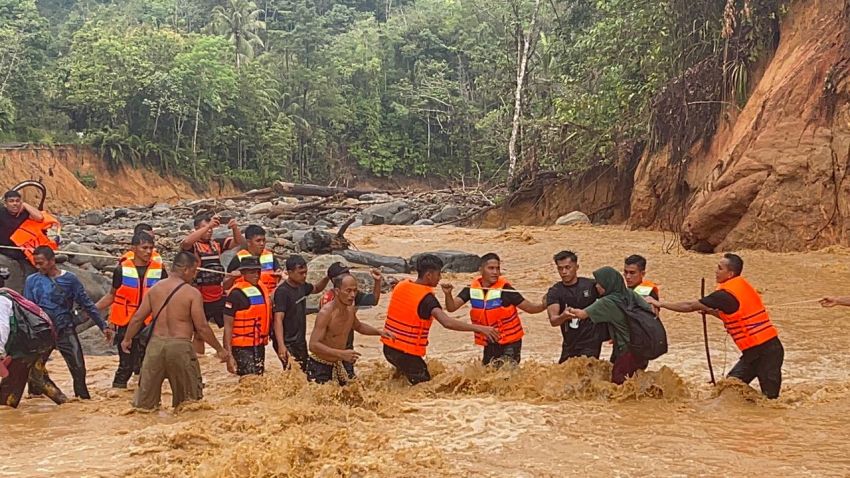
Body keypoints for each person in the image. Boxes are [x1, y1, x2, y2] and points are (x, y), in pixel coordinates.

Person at [646, 253, 784, 398]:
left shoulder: (725, 295)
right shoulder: (739, 287)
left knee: (771, 402)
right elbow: (735, 316)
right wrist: (709, 311)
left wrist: (660, 303)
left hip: (768, 353)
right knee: (729, 389)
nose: (716, 271)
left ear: (730, 274)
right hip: (753, 354)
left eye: (720, 268)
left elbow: (690, 305)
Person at [120, 251, 231, 410]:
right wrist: (220, 349)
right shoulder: (192, 293)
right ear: (185, 270)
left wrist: (127, 339)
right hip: (180, 346)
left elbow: (138, 318)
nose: (194, 276)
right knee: (189, 404)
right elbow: (202, 327)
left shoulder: (155, 289)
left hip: (155, 347)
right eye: (194, 271)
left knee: (144, 406)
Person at [381, 254, 499, 385]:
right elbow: (447, 322)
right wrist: (480, 328)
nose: (440, 278)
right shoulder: (427, 299)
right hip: (406, 353)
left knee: (401, 382)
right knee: (425, 389)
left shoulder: (401, 285)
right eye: (438, 274)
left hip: (388, 349)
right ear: (429, 275)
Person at [23, 246, 110, 399]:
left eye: (41, 263)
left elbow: (87, 304)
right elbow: (28, 309)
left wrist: (103, 326)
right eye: (35, 263)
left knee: (78, 369)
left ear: (52, 261)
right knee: (35, 370)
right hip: (42, 333)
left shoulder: (69, 280)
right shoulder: (32, 281)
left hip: (65, 330)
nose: (38, 266)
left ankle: (82, 401)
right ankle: (35, 401)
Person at [442, 252, 545, 366]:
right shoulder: (470, 289)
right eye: (491, 268)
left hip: (510, 343)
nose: (495, 272)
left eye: (497, 268)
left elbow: (531, 308)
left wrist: (545, 304)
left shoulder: (506, 290)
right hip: (489, 341)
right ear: (481, 270)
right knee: (488, 374)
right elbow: (451, 308)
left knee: (506, 375)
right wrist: (448, 294)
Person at [96, 231, 168, 388]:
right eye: (144, 248)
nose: (149, 251)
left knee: (149, 365)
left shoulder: (160, 270)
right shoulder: (121, 270)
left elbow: (168, 297)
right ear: (133, 249)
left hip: (150, 322)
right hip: (126, 322)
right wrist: (92, 310)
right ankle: (117, 395)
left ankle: (145, 398)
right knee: (125, 366)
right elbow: (111, 295)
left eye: (151, 248)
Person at [564, 266, 655, 384]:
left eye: (599, 283)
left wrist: (567, 310)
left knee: (618, 383)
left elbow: (581, 314)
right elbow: (649, 310)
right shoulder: (630, 294)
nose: (596, 286)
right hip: (642, 349)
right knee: (633, 382)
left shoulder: (608, 302)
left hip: (627, 351)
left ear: (607, 284)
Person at [308, 273, 392, 384]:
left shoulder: (350, 308)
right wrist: (340, 353)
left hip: (339, 362)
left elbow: (359, 326)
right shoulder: (326, 313)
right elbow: (313, 345)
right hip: (320, 366)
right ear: (337, 291)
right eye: (348, 291)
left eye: (355, 291)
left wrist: (380, 332)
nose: (352, 295)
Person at [181, 214, 243, 355]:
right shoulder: (193, 246)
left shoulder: (216, 244)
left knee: (231, 325)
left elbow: (238, 241)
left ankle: (228, 355)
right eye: (204, 228)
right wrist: (209, 226)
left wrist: (234, 228)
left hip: (217, 295)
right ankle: (201, 361)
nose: (209, 231)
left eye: (210, 229)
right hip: (200, 297)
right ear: (196, 229)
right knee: (198, 334)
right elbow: (185, 243)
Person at [0, 286, 68, 408]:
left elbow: (2, 328)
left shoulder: (1, 301)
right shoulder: (9, 294)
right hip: (43, 338)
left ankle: (8, 413)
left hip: (29, 344)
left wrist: (0, 354)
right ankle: (68, 406)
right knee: (38, 377)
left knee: (9, 387)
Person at [271, 255, 331, 372]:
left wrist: (327, 277)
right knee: (293, 373)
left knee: (304, 372)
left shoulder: (302, 286)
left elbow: (317, 288)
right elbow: (278, 319)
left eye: (305, 273)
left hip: (300, 340)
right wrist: (281, 345)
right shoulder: (282, 292)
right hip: (287, 342)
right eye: (300, 273)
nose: (304, 276)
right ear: (289, 272)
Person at [545, 251, 606, 362]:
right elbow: (553, 321)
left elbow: (613, 298)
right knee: (563, 376)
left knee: (586, 375)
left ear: (576, 267)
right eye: (560, 268)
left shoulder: (591, 285)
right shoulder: (555, 291)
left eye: (568, 267)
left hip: (591, 342)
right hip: (570, 342)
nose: (564, 272)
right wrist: (563, 316)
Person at [319, 262, 383, 352]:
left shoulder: (351, 295)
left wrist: (377, 281)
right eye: (345, 274)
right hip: (330, 351)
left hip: (347, 349)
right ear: (334, 281)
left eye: (348, 272)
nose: (349, 276)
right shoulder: (327, 302)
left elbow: (373, 301)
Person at [223, 257, 270, 376]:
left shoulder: (261, 288)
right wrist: (229, 356)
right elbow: (228, 327)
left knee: (258, 378)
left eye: (258, 272)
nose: (256, 275)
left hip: (258, 345)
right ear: (243, 273)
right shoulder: (235, 295)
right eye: (251, 272)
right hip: (241, 347)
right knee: (249, 380)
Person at [0, 190, 52, 274]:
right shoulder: (1, 211)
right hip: (5, 247)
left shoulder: (24, 212)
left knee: (39, 259)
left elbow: (39, 217)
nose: (15, 204)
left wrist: (25, 204)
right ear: (5, 203)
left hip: (23, 247)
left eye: (17, 201)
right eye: (11, 201)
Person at [224, 225, 282, 295]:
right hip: (247, 299)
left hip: (269, 298)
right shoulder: (238, 259)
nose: (262, 244)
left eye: (264, 240)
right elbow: (225, 286)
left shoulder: (270, 257)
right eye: (258, 241)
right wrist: (232, 278)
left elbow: (279, 274)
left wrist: (281, 274)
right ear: (248, 242)